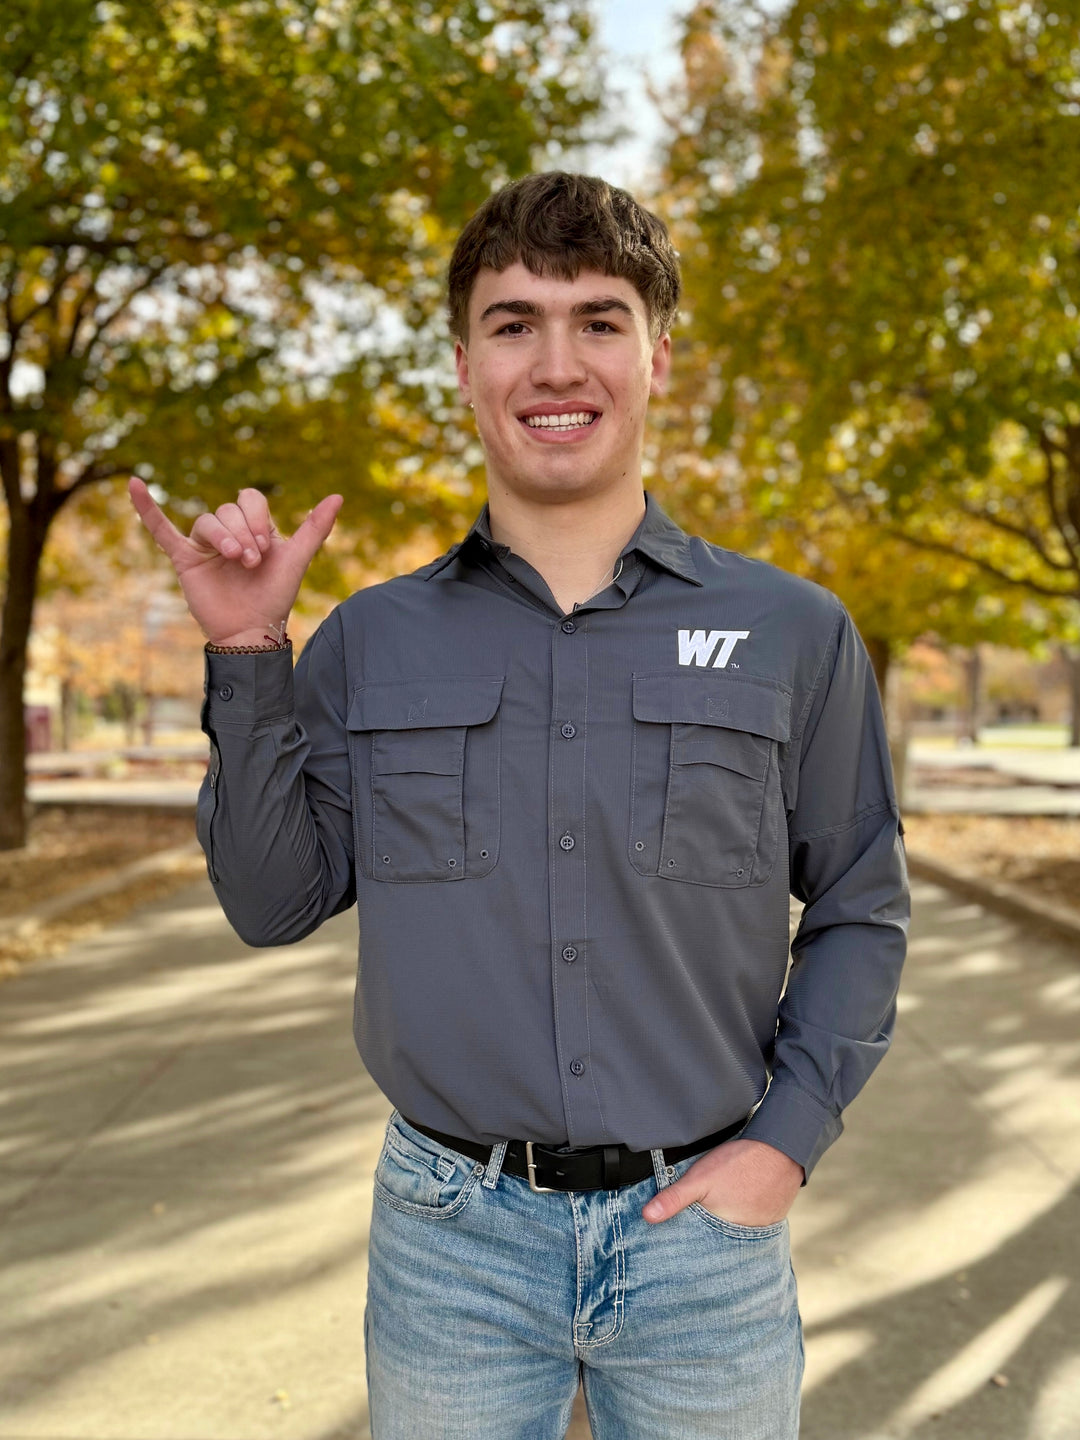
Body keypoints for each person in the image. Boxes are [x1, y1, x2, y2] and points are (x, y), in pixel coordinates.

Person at [130, 171, 909, 1440]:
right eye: (514, 324)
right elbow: (270, 905)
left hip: (703, 1242)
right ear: (463, 365)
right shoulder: (371, 639)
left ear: (658, 355)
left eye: (600, 320)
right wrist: (247, 652)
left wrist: (788, 1139)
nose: (557, 364)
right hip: (453, 1248)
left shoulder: (792, 632)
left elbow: (861, 905)